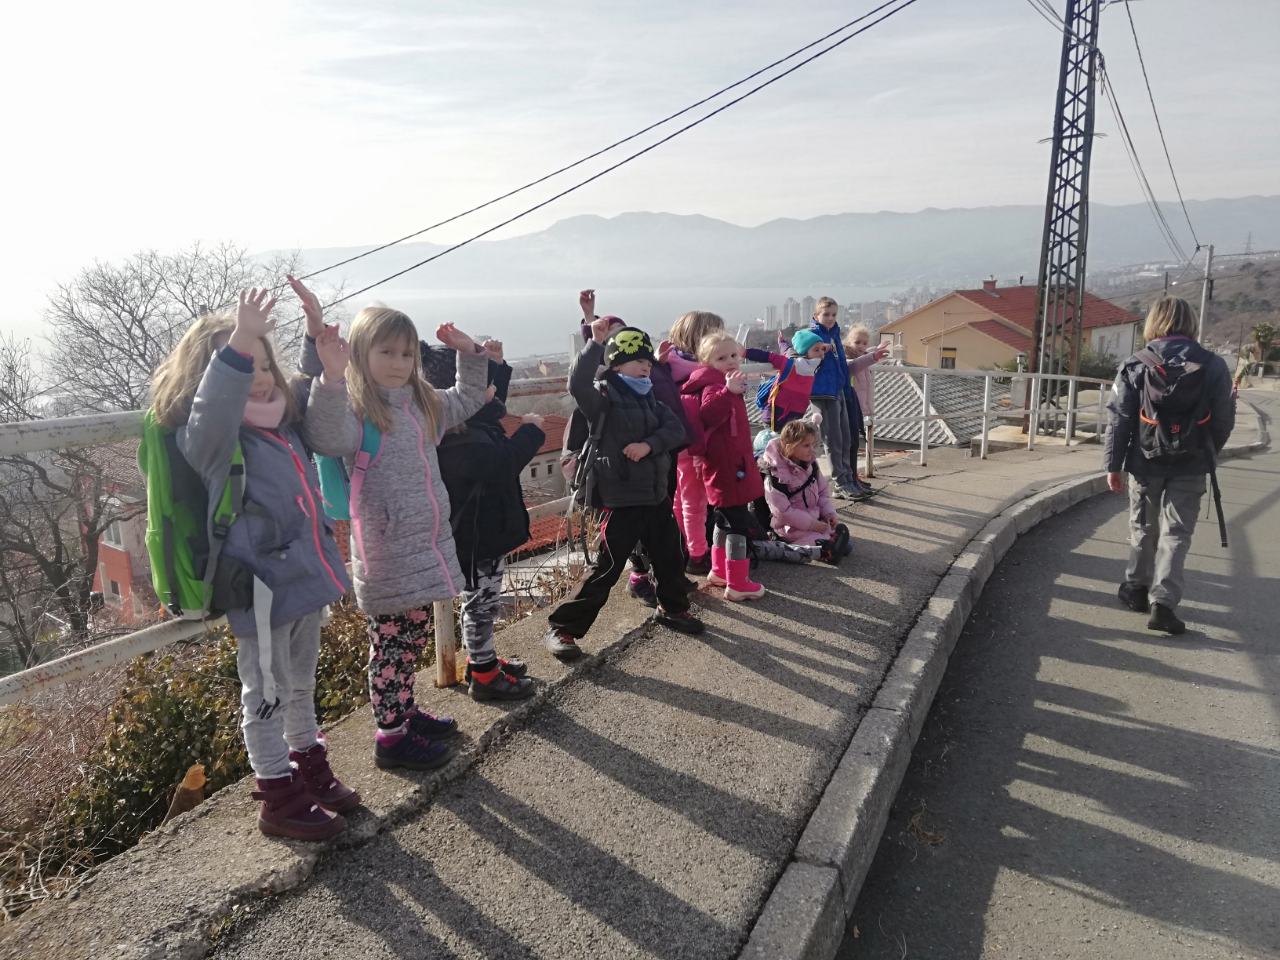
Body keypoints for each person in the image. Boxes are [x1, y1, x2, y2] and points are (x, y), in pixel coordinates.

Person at [151, 288, 354, 842]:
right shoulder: (211, 439)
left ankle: (308, 763)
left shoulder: (281, 424)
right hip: (259, 587)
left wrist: (317, 344)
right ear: (211, 375)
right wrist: (240, 340)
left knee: (300, 683)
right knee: (265, 692)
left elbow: (312, 400)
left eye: (266, 364)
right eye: (246, 366)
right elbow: (215, 405)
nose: (260, 378)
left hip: (304, 575)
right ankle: (277, 794)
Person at [301, 293, 491, 769]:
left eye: (407, 353)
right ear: (360, 353)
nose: (398, 362)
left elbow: (468, 398)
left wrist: (470, 352)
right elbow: (324, 436)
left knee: (412, 637)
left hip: (423, 544)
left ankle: (404, 713)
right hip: (386, 549)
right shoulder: (356, 409)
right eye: (386, 351)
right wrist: (329, 378)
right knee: (389, 646)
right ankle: (390, 737)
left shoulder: (420, 403)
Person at [544, 322, 704, 660]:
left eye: (648, 361)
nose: (646, 367)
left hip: (655, 495)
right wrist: (595, 343)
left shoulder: (650, 398)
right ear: (617, 365)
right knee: (607, 566)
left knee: (669, 557)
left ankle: (673, 609)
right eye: (637, 361)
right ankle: (562, 628)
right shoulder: (603, 398)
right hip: (621, 499)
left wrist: (649, 445)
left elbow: (676, 430)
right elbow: (576, 384)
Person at [421, 339, 542, 702]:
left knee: (484, 602)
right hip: (476, 538)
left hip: (483, 533)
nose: (488, 390)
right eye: (483, 383)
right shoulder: (459, 442)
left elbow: (490, 402)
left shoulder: (469, 423)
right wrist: (531, 431)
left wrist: (498, 365)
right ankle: (485, 674)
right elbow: (502, 463)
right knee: (481, 605)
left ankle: (481, 660)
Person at [1104, 296, 1234, 635]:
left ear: (1154, 322)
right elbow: (1224, 419)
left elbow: (1120, 419)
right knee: (1177, 533)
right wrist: (1206, 452)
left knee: (1143, 525)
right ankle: (1163, 604)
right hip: (1191, 463)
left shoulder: (1136, 363)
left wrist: (1113, 465)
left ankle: (1136, 588)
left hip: (1145, 461)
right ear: (1190, 322)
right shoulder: (1213, 365)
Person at [681, 331, 772, 599]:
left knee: (724, 519)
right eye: (721, 358)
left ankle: (720, 571)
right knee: (738, 524)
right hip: (729, 467)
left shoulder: (721, 381)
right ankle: (738, 583)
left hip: (727, 463)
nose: (731, 361)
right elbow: (708, 414)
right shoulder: (714, 386)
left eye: (733, 355)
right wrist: (726, 391)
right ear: (707, 362)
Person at [659, 310, 726, 575]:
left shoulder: (668, 366)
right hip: (695, 446)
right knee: (695, 504)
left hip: (675, 445)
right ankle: (697, 555)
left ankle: (681, 546)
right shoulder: (700, 373)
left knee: (680, 499)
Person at [758, 420, 852, 564]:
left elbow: (822, 492)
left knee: (843, 545)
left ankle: (828, 546)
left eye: (813, 445)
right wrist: (812, 524)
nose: (812, 450)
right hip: (789, 528)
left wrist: (829, 513)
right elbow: (782, 512)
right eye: (806, 445)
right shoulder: (775, 475)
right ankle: (824, 550)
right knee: (826, 543)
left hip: (813, 521)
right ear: (790, 446)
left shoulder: (811, 465)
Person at [807, 297, 866, 500]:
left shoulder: (834, 334)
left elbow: (841, 363)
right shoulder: (812, 336)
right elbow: (798, 351)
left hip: (839, 390)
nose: (830, 318)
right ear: (816, 316)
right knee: (833, 439)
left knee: (845, 438)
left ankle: (849, 479)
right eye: (826, 314)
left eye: (833, 314)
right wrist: (818, 349)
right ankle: (840, 483)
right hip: (823, 392)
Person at [843, 325, 891, 492]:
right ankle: (849, 478)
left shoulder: (860, 355)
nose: (861, 346)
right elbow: (855, 364)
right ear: (849, 342)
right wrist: (873, 356)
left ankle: (854, 477)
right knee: (850, 444)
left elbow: (865, 354)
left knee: (854, 444)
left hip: (857, 407)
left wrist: (876, 350)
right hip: (849, 406)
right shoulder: (846, 357)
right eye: (857, 342)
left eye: (864, 343)